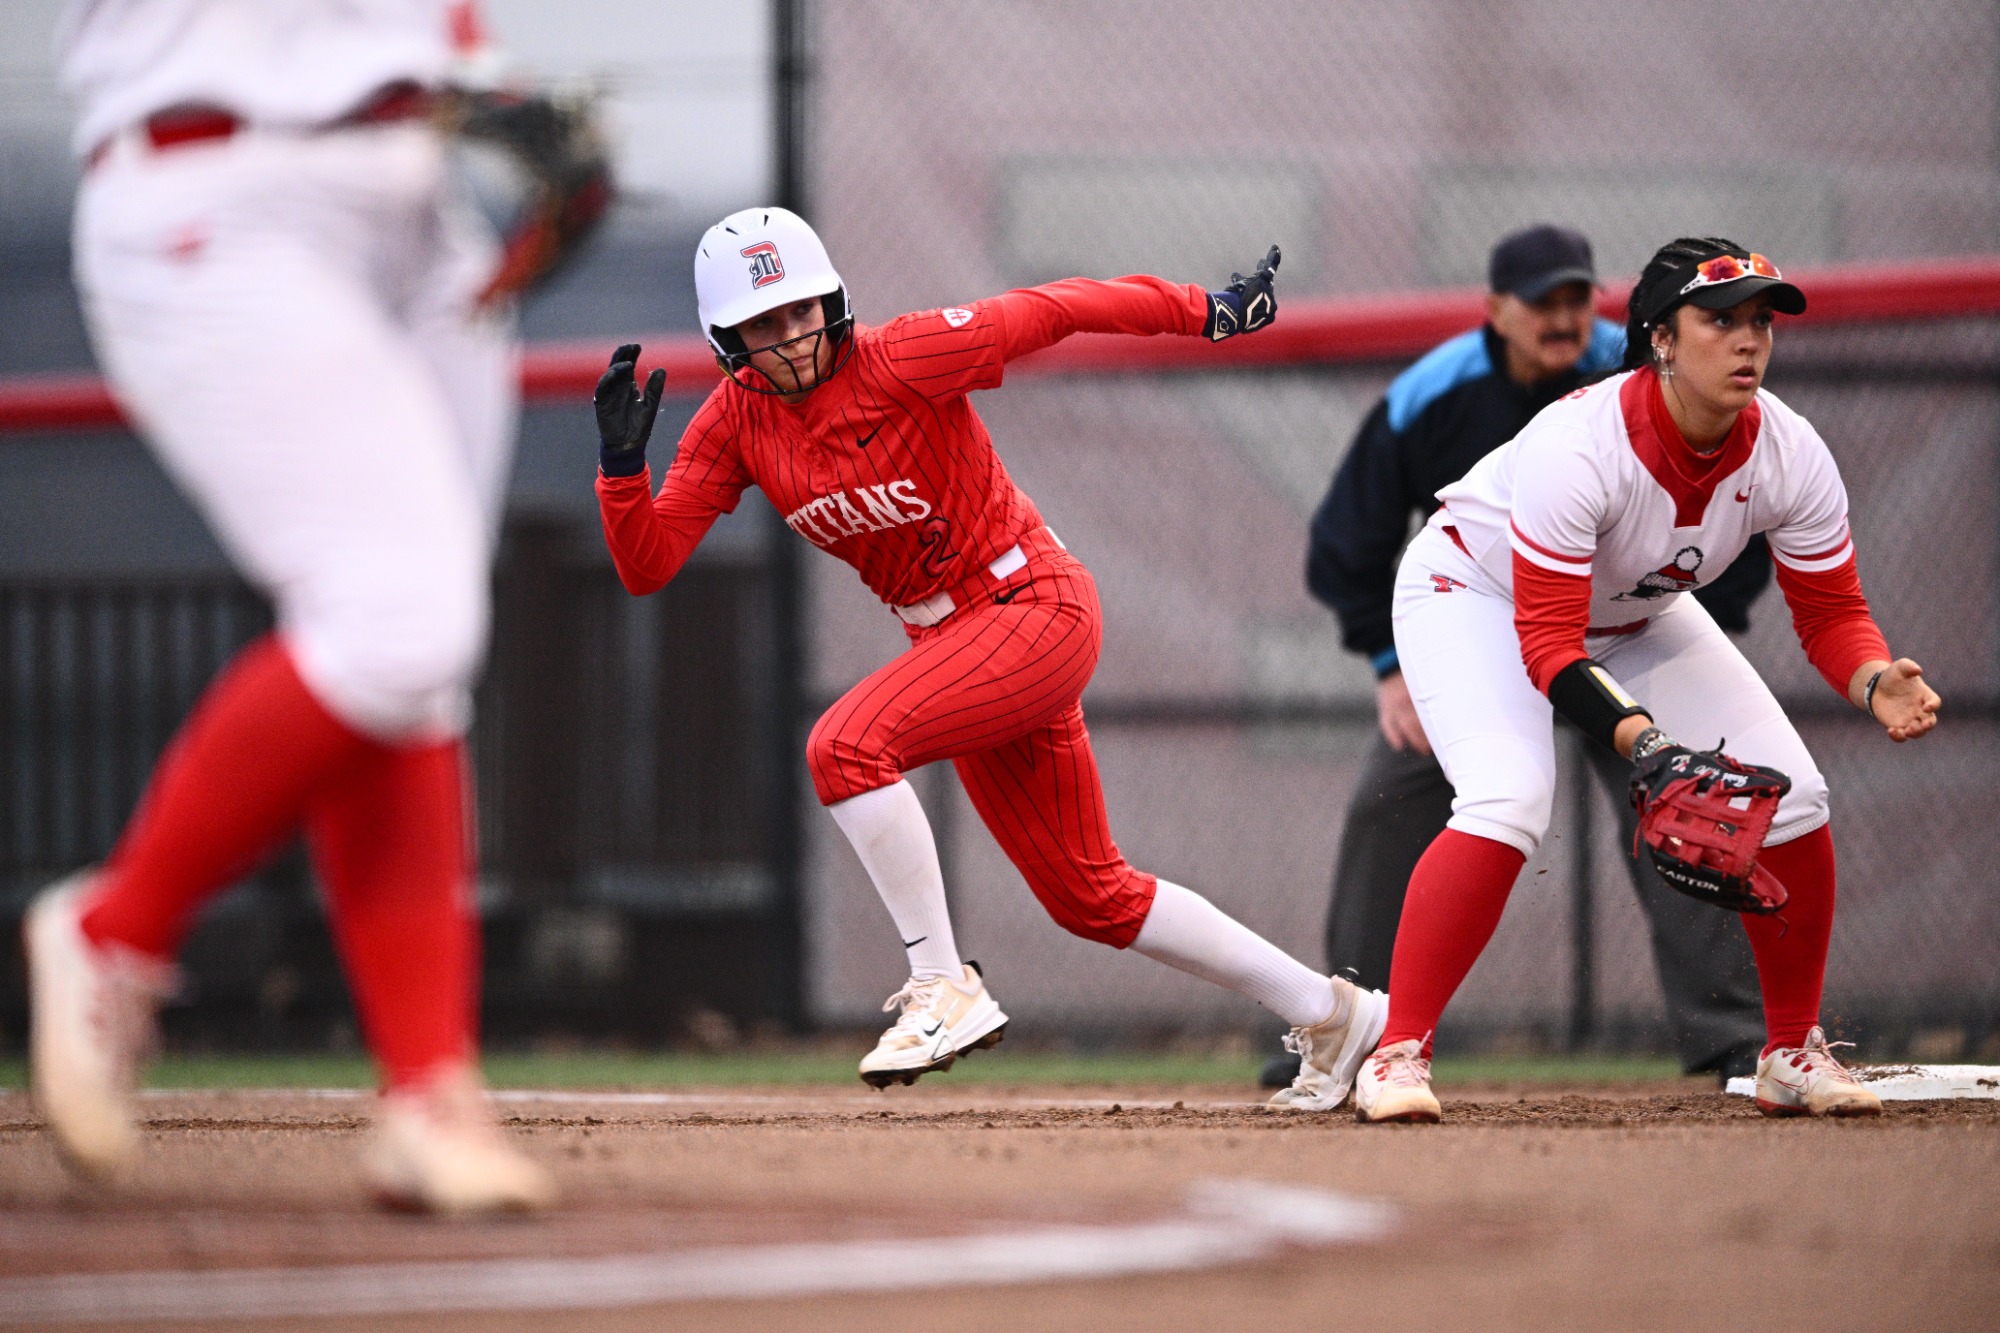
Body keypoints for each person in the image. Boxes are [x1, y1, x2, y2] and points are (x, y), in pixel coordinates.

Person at [593, 207, 1386, 1109]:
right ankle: (1334, 1015)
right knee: (1094, 897)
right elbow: (647, 564)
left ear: (833, 302)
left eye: (802, 309)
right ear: (725, 338)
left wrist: (1203, 308)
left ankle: (942, 982)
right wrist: (622, 466)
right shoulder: (733, 423)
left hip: (1032, 605)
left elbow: (1059, 306)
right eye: (763, 324)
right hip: (957, 640)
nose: (791, 335)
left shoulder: (902, 356)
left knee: (843, 747)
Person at [24, 1, 553, 1212]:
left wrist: (478, 77)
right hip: (218, 181)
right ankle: (116, 927)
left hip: (418, 193)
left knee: (413, 663)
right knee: (395, 620)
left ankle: (428, 1093)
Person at [1350, 236, 1941, 1124]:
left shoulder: (1790, 450)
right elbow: (1547, 644)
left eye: (1760, 321)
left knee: (1800, 798)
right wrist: (1649, 745)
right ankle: (1397, 1053)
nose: (1749, 341)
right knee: (1508, 798)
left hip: (1633, 612)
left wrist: (1870, 677)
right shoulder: (1579, 444)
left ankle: (1787, 1051)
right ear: (1660, 338)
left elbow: (1829, 615)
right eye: (1720, 319)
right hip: (1474, 590)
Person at [1273, 224, 1767, 1093]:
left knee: (1683, 794)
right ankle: (1346, 1029)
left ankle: (1737, 1039)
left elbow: (1727, 531)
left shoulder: (1630, 387)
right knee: (1387, 805)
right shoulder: (1435, 391)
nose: (1564, 318)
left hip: (1614, 636)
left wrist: (1687, 647)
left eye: (1578, 300)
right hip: (1480, 632)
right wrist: (1392, 665)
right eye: (1543, 302)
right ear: (1496, 310)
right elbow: (1345, 543)